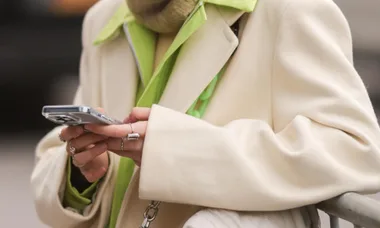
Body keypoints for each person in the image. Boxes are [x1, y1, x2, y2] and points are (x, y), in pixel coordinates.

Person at [31, 0, 380, 227]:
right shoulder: (103, 17)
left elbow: (354, 150)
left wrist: (174, 150)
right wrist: (81, 178)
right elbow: (50, 163)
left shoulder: (290, 9)